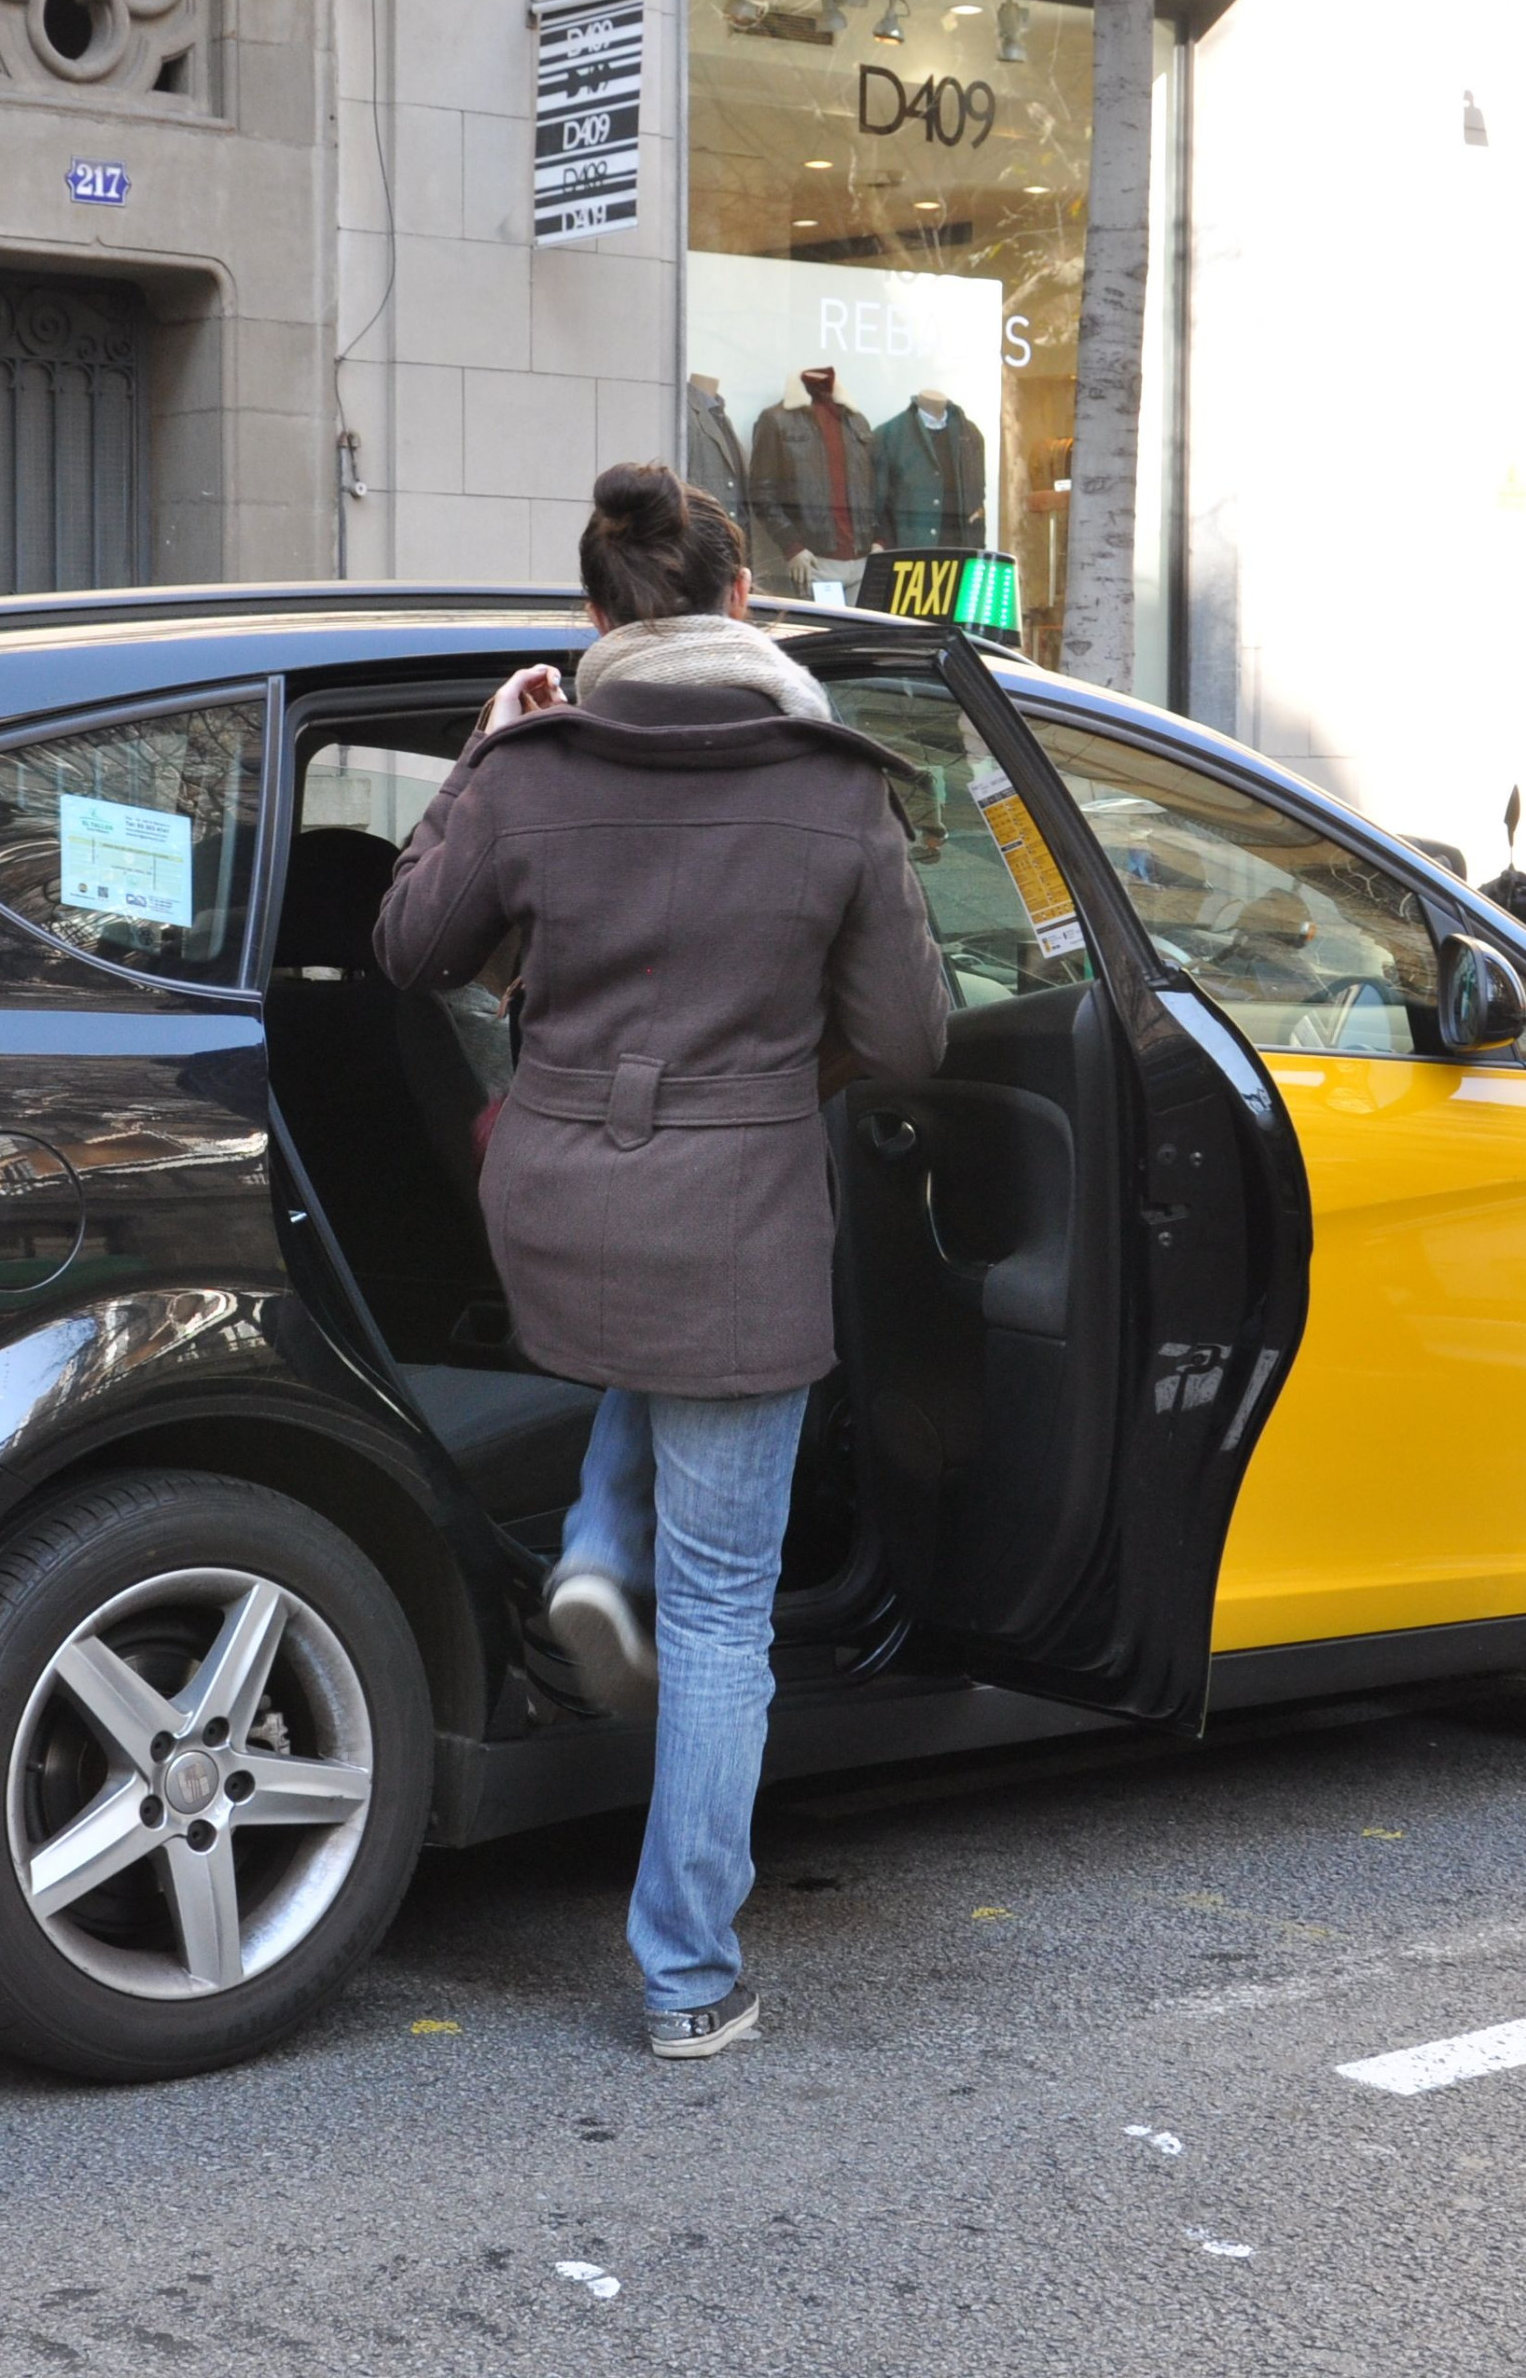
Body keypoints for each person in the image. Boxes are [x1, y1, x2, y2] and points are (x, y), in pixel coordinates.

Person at [375, 460, 948, 2060]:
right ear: (745, 597)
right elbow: (909, 1034)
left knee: (657, 1348)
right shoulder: (835, 785)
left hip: (557, 1201)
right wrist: (762, 1084)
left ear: (594, 615)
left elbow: (411, 950)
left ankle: (587, 1538)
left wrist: (483, 751)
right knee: (717, 1616)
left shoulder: (533, 763)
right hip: (738, 1211)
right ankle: (688, 1975)